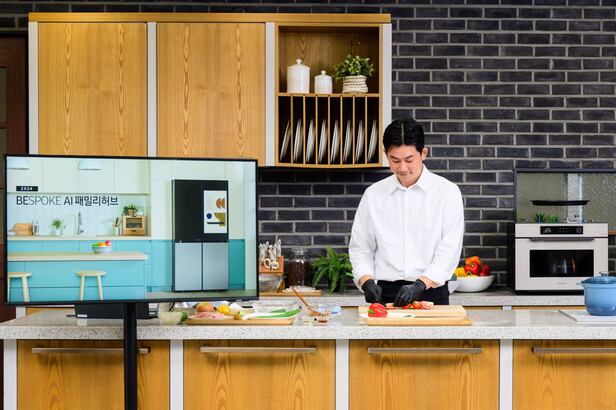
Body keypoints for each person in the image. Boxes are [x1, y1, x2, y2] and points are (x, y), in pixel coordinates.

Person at [349, 118, 464, 306]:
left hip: (431, 293)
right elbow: (360, 247)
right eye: (395, 160)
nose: (402, 168)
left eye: (409, 160)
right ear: (386, 154)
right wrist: (366, 280)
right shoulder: (373, 194)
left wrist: (421, 284)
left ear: (423, 153)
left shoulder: (447, 192)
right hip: (384, 295)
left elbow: (449, 248)